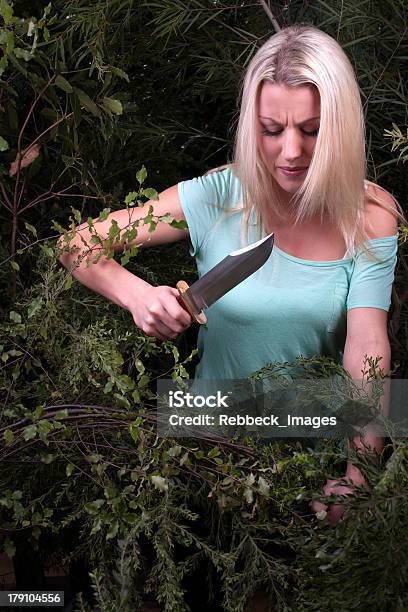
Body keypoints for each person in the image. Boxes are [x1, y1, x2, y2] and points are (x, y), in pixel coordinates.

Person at [59, 24, 401, 526]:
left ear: (342, 126)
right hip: (209, 453)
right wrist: (136, 296)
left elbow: (367, 349)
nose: (291, 152)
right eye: (271, 130)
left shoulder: (370, 214)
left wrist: (360, 474)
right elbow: (76, 244)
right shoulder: (217, 195)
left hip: (311, 457)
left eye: (311, 130)